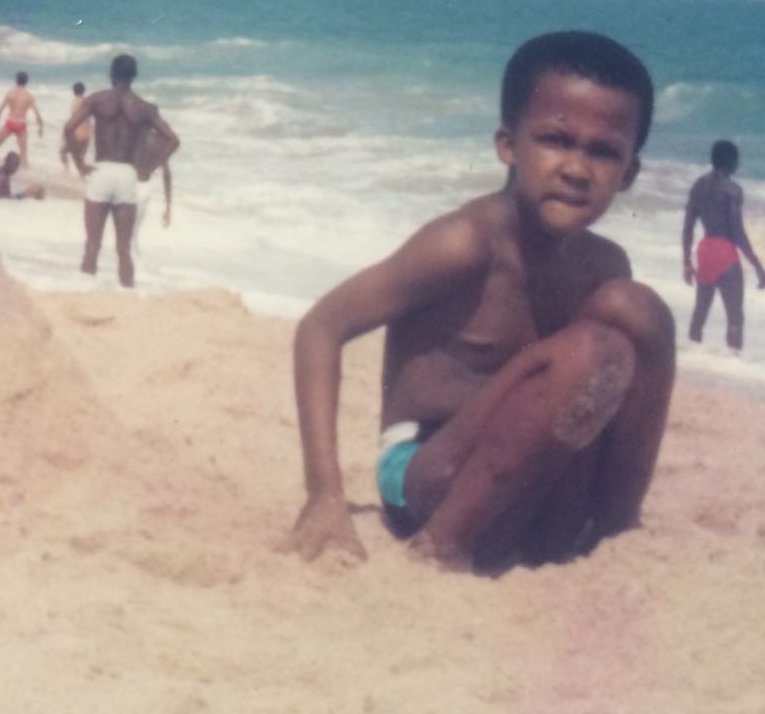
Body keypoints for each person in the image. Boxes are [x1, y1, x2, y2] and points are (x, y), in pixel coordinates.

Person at [289, 30, 675, 574]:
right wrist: (324, 495)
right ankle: (442, 546)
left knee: (640, 310)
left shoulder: (605, 265)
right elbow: (322, 326)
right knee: (587, 352)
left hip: (527, 481)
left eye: (603, 152)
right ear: (508, 145)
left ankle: (616, 526)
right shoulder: (466, 243)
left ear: (629, 172)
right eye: (555, 140)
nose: (576, 168)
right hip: (427, 474)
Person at [65, 54, 180, 288]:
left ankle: (83, 293)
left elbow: (69, 128)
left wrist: (79, 163)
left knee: (92, 245)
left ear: (111, 74)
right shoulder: (144, 108)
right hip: (127, 174)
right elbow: (172, 140)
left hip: (100, 171)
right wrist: (149, 168)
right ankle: (129, 296)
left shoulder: (97, 100)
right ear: (134, 76)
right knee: (124, 249)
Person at [682, 140, 765, 350]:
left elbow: (688, 227)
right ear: (729, 161)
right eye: (736, 159)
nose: (737, 163)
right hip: (724, 252)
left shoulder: (698, 186)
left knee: (700, 312)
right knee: (735, 317)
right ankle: (734, 361)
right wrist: (757, 265)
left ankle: (691, 355)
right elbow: (737, 232)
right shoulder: (733, 190)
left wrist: (687, 262)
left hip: (705, 252)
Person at [0, 71, 43, 167]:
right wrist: (40, 128)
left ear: (16, 80)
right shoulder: (29, 96)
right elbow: (37, 114)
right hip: (21, 124)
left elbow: (0, 110)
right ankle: (26, 173)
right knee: (23, 155)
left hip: (10, 122)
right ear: (26, 82)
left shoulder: (10, 93)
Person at [60, 81, 91, 175]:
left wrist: (66, 133)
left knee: (62, 152)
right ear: (84, 90)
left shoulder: (75, 101)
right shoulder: (88, 101)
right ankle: (83, 179)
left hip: (77, 133)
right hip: (87, 134)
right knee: (82, 159)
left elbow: (74, 118)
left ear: (74, 91)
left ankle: (67, 171)